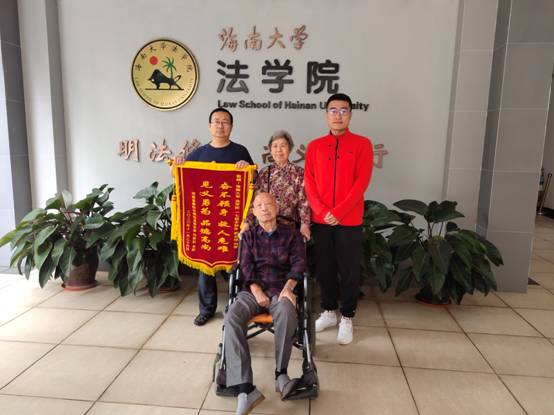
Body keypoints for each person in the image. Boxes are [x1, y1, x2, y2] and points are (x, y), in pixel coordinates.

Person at [224, 192, 305, 415]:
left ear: (276, 207)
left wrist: (288, 288)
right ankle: (245, 388)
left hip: (280, 289)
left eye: (268, 204)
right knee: (232, 316)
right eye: (259, 205)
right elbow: (246, 266)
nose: (264, 208)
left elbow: (299, 264)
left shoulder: (292, 236)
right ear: (253, 212)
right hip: (253, 290)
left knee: (287, 312)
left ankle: (281, 374)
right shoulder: (248, 237)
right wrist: (256, 289)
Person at [174, 107, 255, 326]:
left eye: (225, 121)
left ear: (231, 126)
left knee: (234, 264)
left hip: (232, 219)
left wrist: (247, 168)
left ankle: (237, 306)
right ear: (209, 126)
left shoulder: (240, 151)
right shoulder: (199, 153)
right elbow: (183, 178)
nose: (220, 125)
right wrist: (180, 164)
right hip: (206, 220)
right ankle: (206, 309)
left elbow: (253, 179)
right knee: (205, 266)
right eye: (216, 121)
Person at [304, 93, 373, 345]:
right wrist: (322, 211)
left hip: (349, 220)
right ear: (326, 115)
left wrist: (340, 211)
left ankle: (347, 317)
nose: (338, 115)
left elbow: (361, 182)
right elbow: (309, 181)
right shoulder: (315, 146)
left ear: (350, 114)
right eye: (333, 110)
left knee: (349, 270)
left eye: (343, 111)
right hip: (322, 220)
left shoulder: (362, 144)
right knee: (325, 269)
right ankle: (329, 311)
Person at [242, 130, 311, 240]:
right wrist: (247, 223)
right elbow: (255, 201)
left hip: (290, 228)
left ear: (290, 149)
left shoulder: (299, 172)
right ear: (270, 150)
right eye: (275, 146)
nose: (279, 150)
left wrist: (305, 225)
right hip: (265, 228)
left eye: (283, 146)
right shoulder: (265, 172)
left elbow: (304, 202)